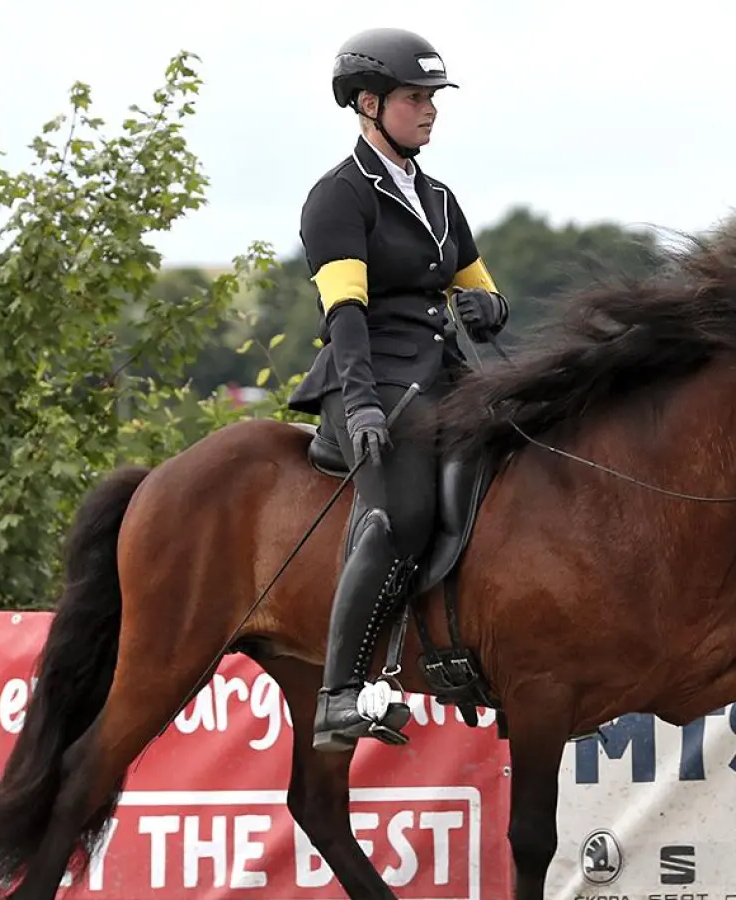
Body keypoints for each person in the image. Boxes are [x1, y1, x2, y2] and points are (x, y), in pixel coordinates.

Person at [286, 26, 511, 752]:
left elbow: (483, 292)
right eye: (416, 98)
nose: (430, 110)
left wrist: (489, 308)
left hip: (444, 380)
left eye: (432, 98)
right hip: (367, 380)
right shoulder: (338, 197)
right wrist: (359, 405)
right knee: (399, 515)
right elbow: (343, 314)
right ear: (367, 102)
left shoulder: (439, 199)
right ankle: (339, 694)